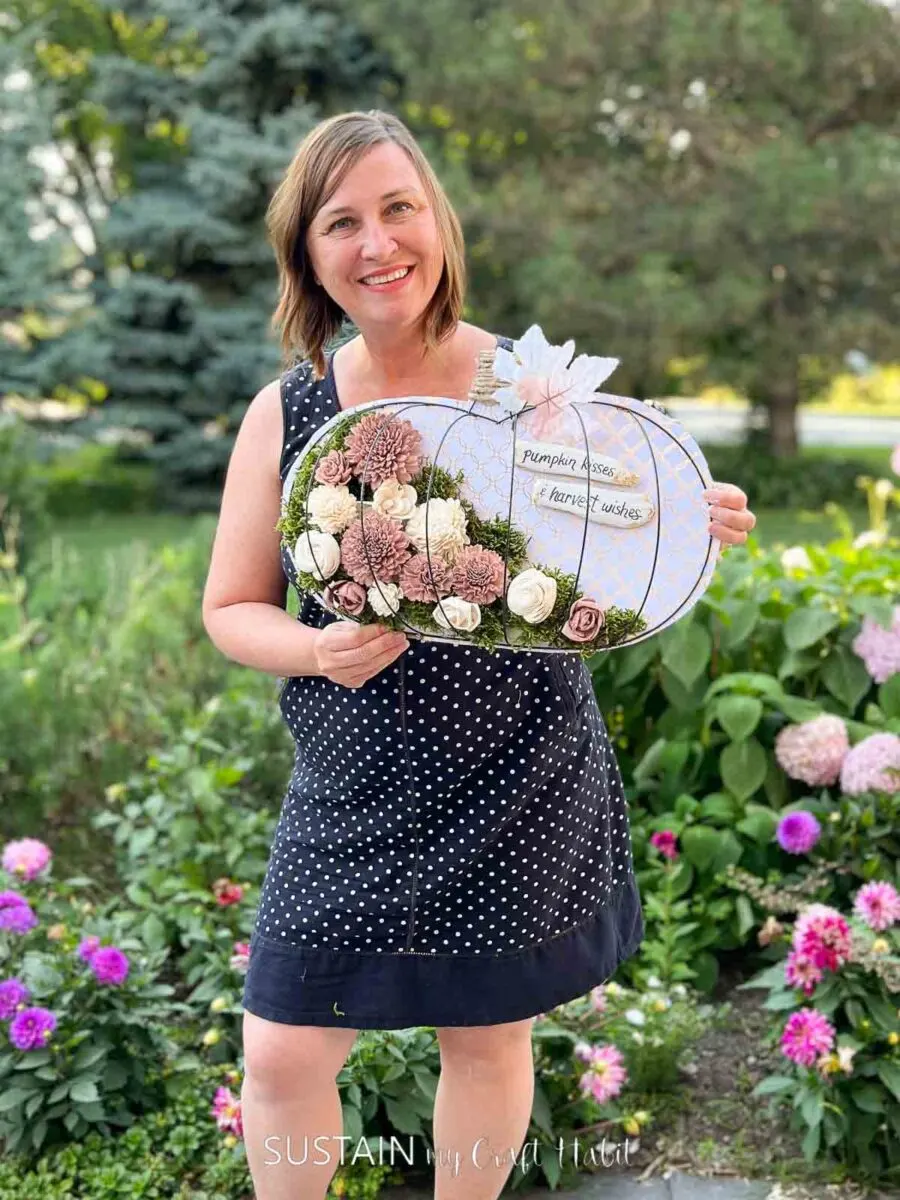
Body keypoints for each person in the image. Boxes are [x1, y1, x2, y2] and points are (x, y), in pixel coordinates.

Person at [201, 109, 756, 1200]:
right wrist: (317, 653)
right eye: (341, 222)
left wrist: (688, 521)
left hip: (520, 767)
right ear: (307, 255)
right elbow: (231, 609)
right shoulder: (291, 408)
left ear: (438, 223)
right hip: (352, 782)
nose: (377, 243)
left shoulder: (530, 389)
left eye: (399, 208)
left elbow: (618, 535)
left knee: (489, 1037)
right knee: (280, 1053)